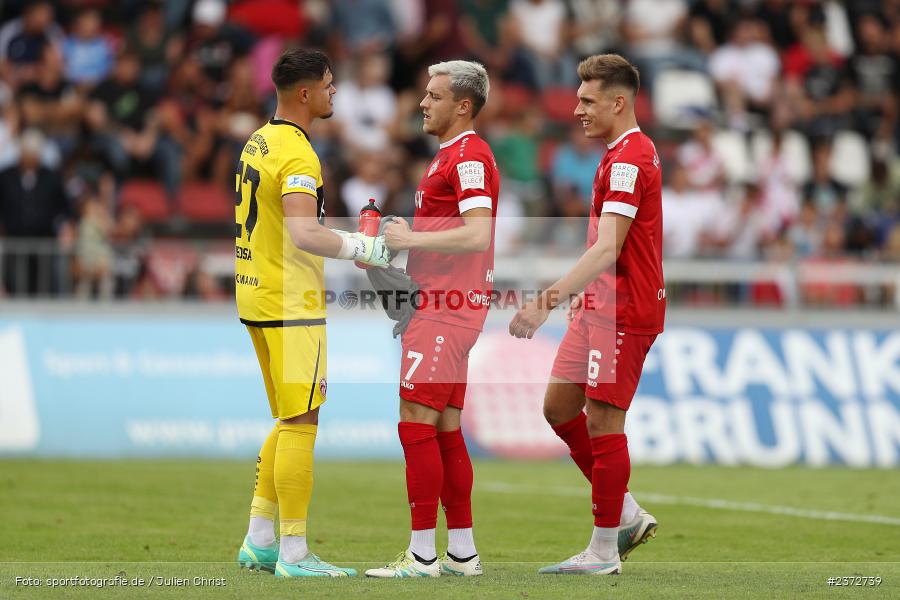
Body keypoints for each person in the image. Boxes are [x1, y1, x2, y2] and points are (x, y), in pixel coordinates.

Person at [234, 48, 390, 578]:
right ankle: (295, 553)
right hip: (289, 299)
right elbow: (304, 232)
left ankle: (259, 538)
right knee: (303, 418)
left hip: (254, 293)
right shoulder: (299, 153)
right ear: (305, 93)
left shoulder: (260, 138)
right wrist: (361, 248)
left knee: (287, 413)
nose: (334, 91)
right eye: (328, 84)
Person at [509, 54, 664, 575]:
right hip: (598, 306)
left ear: (618, 102)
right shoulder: (619, 152)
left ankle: (603, 551)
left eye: (587, 100)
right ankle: (623, 510)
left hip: (624, 311)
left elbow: (607, 248)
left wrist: (544, 301)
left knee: (603, 420)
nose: (576, 109)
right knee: (558, 408)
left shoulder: (627, 160)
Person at [366, 60, 498, 578]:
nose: (422, 103)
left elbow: (477, 234)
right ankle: (462, 553)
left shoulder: (469, 156)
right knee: (444, 426)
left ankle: (422, 556)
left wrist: (410, 240)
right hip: (440, 303)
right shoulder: (451, 156)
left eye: (434, 95)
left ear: (462, 105)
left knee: (415, 421)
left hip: (447, 309)